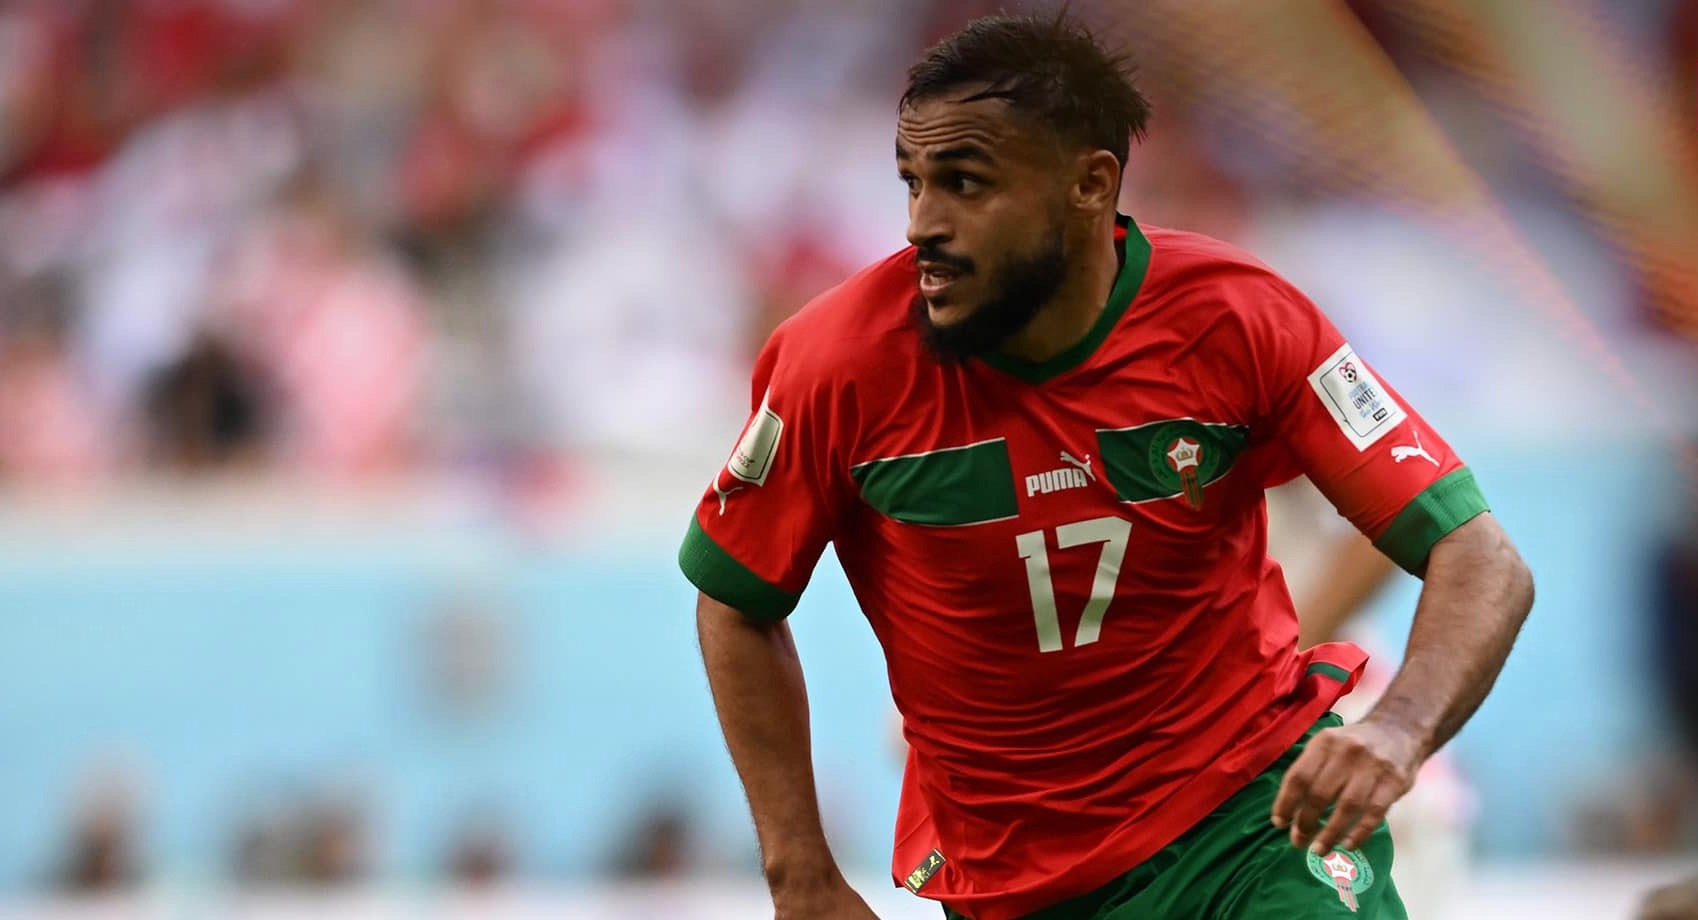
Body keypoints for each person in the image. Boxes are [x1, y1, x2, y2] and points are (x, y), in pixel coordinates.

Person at [679, 12, 1534, 920]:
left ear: (1090, 184)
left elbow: (1482, 558)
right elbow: (735, 602)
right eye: (913, 183)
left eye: (966, 184)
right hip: (1011, 879)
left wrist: (1398, 730)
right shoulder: (836, 364)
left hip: (1249, 823)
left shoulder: (1240, 318)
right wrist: (800, 873)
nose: (924, 224)